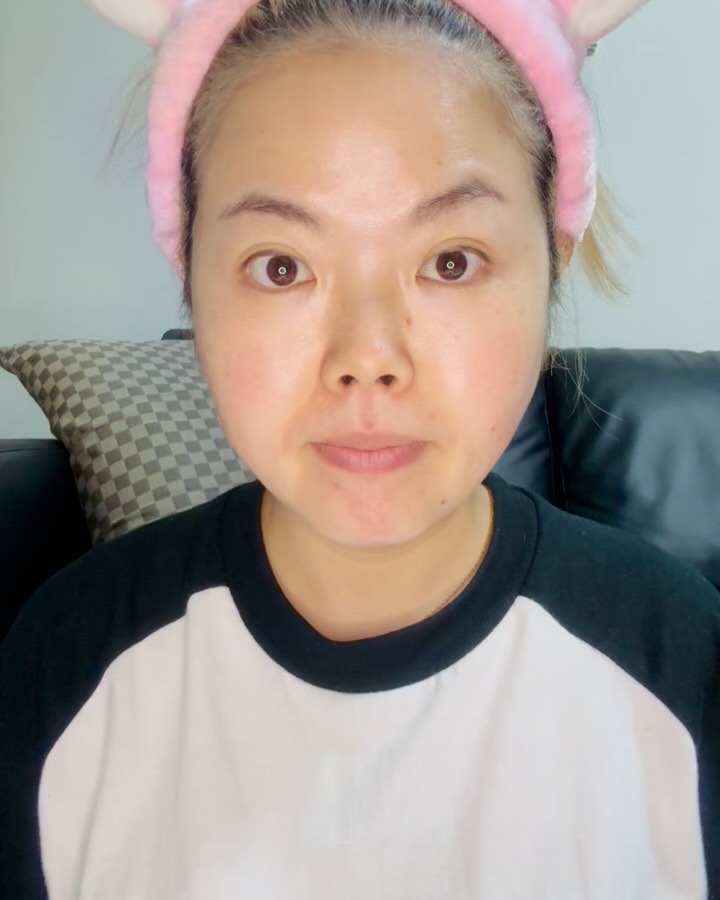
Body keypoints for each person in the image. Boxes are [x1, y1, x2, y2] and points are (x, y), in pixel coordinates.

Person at [1, 0, 718, 896]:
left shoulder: (679, 655)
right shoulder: (70, 657)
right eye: (282, 267)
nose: (367, 358)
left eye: (451, 262)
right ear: (190, 278)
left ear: (551, 263)